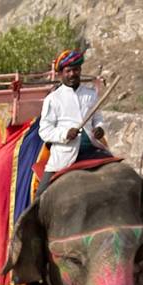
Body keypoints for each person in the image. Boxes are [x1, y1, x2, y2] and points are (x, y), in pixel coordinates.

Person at [37, 49, 111, 195]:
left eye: (76, 70)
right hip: (65, 155)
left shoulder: (90, 94)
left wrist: (99, 128)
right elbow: (44, 130)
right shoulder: (53, 99)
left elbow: (98, 119)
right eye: (68, 71)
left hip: (91, 150)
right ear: (61, 74)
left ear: (80, 70)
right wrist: (65, 134)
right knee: (41, 195)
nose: (72, 74)